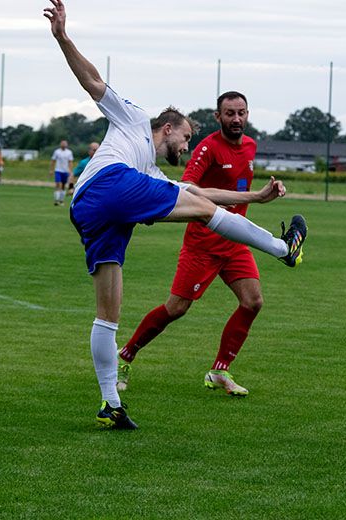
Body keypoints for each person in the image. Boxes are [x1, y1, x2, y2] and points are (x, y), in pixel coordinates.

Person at [44, 0, 306, 430]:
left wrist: (255, 199)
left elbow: (202, 195)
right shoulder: (131, 120)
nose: (185, 147)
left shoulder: (149, 173)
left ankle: (110, 404)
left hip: (88, 209)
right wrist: (63, 38)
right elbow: (91, 81)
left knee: (108, 312)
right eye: (184, 138)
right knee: (201, 212)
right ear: (167, 128)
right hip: (109, 185)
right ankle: (283, 249)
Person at [118, 91, 268, 397]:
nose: (236, 119)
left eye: (241, 113)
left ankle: (219, 371)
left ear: (248, 114)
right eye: (229, 113)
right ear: (218, 117)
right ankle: (126, 355)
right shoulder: (207, 148)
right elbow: (189, 185)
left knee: (253, 301)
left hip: (235, 243)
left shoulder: (251, 146)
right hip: (204, 243)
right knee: (177, 308)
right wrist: (216, 211)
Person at [51, 139, 73, 205]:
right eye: (62, 143)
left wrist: (70, 171)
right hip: (58, 170)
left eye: (65, 143)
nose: (63, 144)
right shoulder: (57, 152)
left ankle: (61, 200)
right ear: (60, 144)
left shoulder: (69, 152)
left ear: (67, 145)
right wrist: (51, 170)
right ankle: (56, 200)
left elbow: (70, 162)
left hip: (65, 171)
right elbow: (53, 161)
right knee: (58, 184)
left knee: (63, 186)